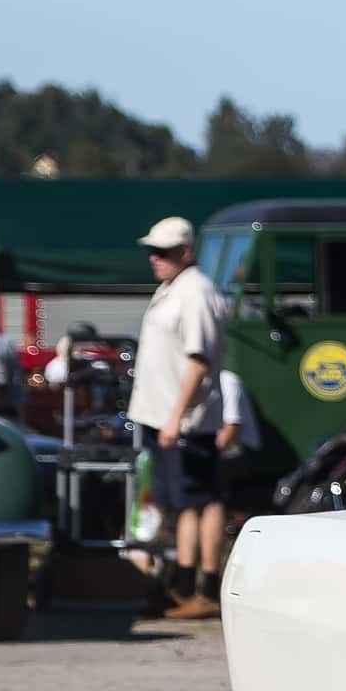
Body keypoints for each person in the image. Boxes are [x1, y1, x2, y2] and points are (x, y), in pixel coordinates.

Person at [129, 214, 231, 618]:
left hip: (186, 421)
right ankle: (183, 583)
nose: (154, 258)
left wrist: (176, 416)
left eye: (162, 252)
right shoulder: (173, 289)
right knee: (181, 503)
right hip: (163, 416)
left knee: (200, 500)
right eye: (151, 251)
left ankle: (204, 586)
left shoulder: (197, 293)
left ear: (185, 252)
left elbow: (199, 360)